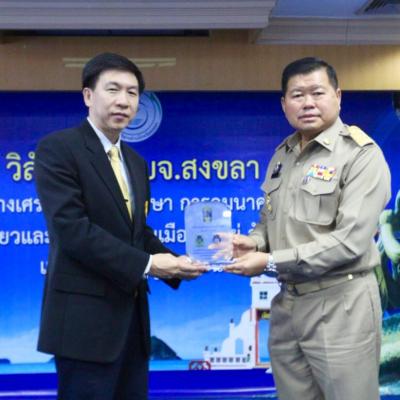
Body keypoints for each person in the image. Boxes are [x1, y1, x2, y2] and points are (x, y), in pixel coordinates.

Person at [34, 52, 206, 400]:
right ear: (88, 96)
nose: (123, 101)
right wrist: (149, 264)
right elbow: (72, 230)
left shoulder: (136, 162)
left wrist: (179, 263)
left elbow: (137, 232)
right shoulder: (59, 149)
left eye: (132, 92)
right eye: (113, 90)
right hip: (83, 325)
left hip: (132, 324)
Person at [224, 57, 391, 400]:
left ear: (338, 96)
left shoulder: (361, 155)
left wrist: (270, 261)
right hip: (288, 304)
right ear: (284, 104)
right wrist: (252, 243)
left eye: (317, 92)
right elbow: (269, 220)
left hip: (342, 303)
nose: (308, 103)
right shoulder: (283, 155)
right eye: (297, 95)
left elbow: (350, 242)